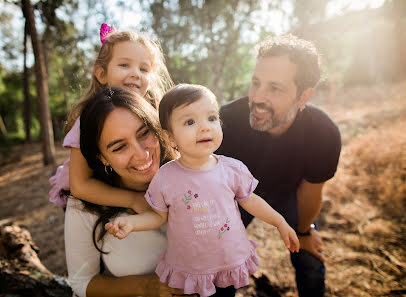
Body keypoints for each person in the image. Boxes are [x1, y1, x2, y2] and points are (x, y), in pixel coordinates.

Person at [105, 84, 300, 297]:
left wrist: (279, 221)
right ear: (170, 137)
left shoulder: (231, 169)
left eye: (212, 118)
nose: (205, 127)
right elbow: (157, 216)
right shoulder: (166, 177)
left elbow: (251, 201)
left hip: (227, 262)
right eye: (190, 122)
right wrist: (132, 223)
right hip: (191, 270)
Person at [216, 35, 341, 297]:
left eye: (275, 88)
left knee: (310, 256)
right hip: (238, 196)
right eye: (256, 83)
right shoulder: (225, 121)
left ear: (304, 96)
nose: (258, 98)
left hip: (289, 194)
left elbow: (310, 192)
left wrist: (304, 232)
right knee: (219, 261)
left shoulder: (323, 133)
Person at [65, 87, 191, 297]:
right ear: (102, 157)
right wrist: (148, 287)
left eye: (144, 133)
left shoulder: (193, 177)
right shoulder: (84, 207)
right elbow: (80, 282)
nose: (141, 155)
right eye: (119, 147)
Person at [49, 24, 172, 212]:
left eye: (144, 69)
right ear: (102, 74)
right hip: (90, 194)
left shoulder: (153, 109)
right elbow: (80, 185)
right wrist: (133, 200)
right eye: (124, 65)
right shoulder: (88, 119)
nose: (135, 73)